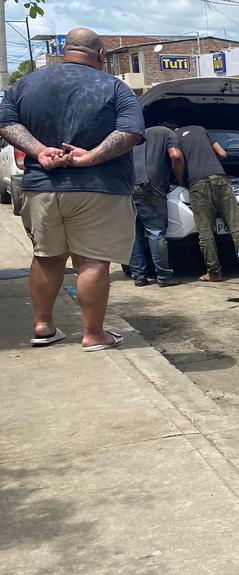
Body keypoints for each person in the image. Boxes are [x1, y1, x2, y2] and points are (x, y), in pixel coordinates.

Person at [0, 27, 143, 350]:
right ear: (101, 55)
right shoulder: (115, 88)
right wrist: (90, 157)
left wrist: (39, 150)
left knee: (46, 257)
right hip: (99, 187)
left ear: (65, 51)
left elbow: (6, 122)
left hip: (42, 186)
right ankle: (93, 334)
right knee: (93, 261)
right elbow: (130, 132)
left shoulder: (26, 84)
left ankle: (43, 327)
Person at [169, 123, 239, 282]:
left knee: (206, 232)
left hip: (197, 183)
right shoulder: (200, 129)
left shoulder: (173, 137)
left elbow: (176, 158)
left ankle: (214, 273)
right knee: (236, 226)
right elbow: (223, 153)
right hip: (220, 178)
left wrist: (180, 179)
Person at [127, 120, 181, 286]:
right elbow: (176, 156)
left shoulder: (134, 134)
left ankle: (139, 277)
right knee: (156, 232)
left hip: (127, 187)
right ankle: (164, 277)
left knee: (134, 235)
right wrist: (179, 179)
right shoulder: (168, 133)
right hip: (151, 188)